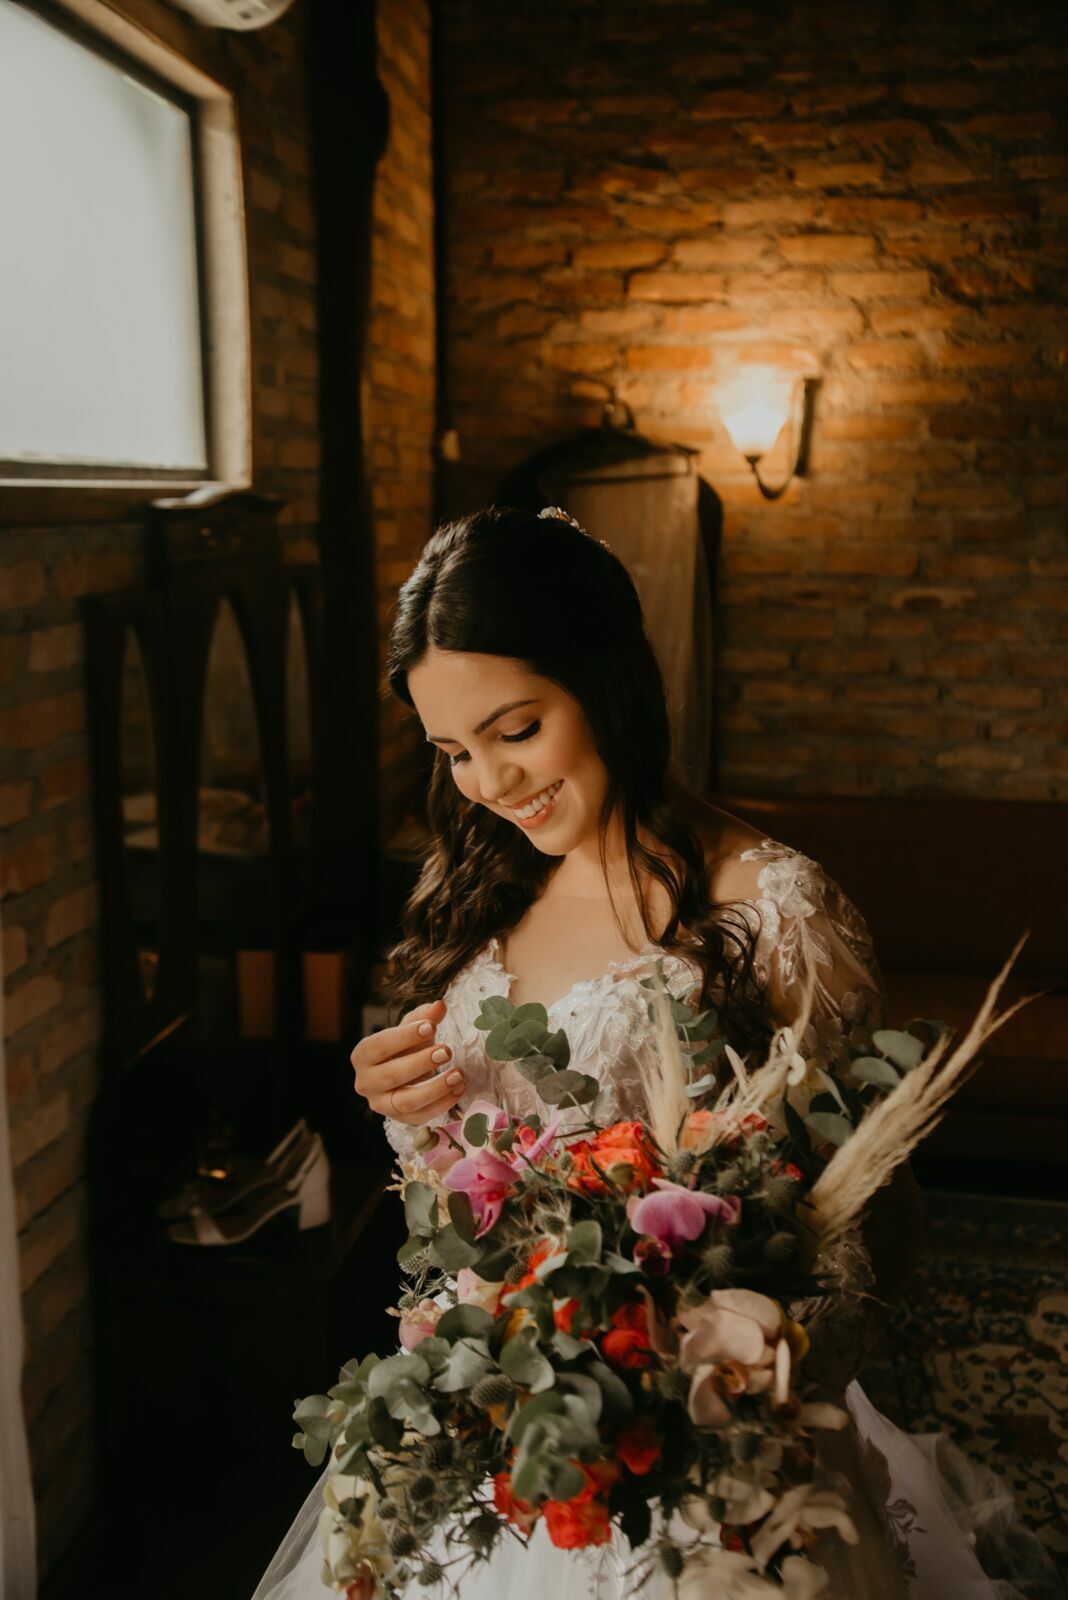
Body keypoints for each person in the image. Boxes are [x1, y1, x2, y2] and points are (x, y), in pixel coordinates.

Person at [253, 507, 1059, 1600]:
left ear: (610, 680)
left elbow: (871, 1243)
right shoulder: (475, 886)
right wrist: (395, 1098)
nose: (486, 782)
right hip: (498, 1429)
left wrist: (699, 1381)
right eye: (453, 751)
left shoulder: (772, 911)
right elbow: (453, 1201)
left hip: (701, 1467)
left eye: (516, 728)